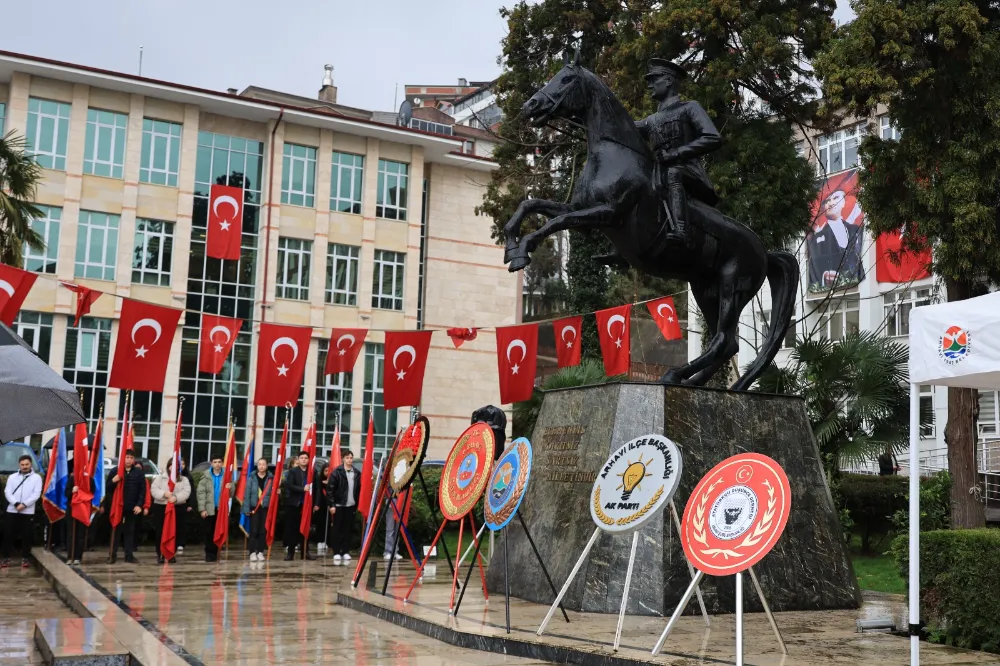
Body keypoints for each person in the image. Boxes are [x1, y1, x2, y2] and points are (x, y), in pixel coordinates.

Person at [634, 58, 722, 251]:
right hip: (659, 178)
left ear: (668, 81)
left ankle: (682, 230)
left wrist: (676, 154)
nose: (649, 85)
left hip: (689, 173)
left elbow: (713, 137)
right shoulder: (651, 120)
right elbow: (624, 127)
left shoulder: (689, 108)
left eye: (654, 80)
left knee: (674, 172)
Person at [807, 189, 865, 291]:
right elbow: (814, 265)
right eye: (827, 201)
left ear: (843, 203)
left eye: (835, 198)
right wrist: (824, 276)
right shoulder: (817, 238)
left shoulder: (856, 230)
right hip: (832, 290)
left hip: (858, 283)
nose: (831, 203)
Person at [106, 450, 147, 564]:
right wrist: (113, 481)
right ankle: (112, 555)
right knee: (116, 531)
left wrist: (139, 505)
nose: (129, 459)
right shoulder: (115, 471)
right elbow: (107, 489)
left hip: (132, 507)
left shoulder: (138, 472)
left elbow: (142, 490)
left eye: (131, 457)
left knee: (130, 532)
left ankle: (129, 556)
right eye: (127, 457)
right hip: (117, 507)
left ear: (134, 460)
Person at [3, 455, 42, 568]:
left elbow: (36, 494)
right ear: (19, 465)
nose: (24, 467)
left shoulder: (37, 478)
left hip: (28, 511)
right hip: (12, 510)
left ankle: (25, 558)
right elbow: (7, 492)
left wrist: (24, 504)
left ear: (31, 464)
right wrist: (15, 503)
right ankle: (6, 558)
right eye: (22, 464)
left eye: (27, 464)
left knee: (26, 535)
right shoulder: (12, 477)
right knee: (8, 534)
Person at [150, 459, 191, 564]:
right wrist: (164, 494)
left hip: (177, 507)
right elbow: (153, 490)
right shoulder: (160, 478)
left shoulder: (183, 479)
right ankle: (161, 554)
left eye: (176, 465)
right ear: (168, 466)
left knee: (175, 531)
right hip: (161, 507)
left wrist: (176, 498)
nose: (173, 468)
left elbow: (186, 491)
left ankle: (171, 554)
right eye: (171, 465)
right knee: (160, 532)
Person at [328, 451, 360, 564]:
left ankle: (345, 551)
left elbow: (358, 490)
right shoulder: (336, 472)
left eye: (351, 458)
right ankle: (336, 552)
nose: (350, 460)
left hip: (350, 505)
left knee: (348, 529)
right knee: (337, 529)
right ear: (343, 459)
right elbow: (330, 490)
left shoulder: (356, 473)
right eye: (347, 458)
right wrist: (331, 505)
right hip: (339, 505)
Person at [282, 451, 315, 561]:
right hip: (294, 504)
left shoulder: (312, 472)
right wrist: (302, 489)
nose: (304, 460)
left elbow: (317, 488)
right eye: (302, 458)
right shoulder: (293, 471)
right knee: (293, 529)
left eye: (306, 458)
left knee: (306, 529)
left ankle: (305, 552)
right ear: (299, 460)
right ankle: (290, 553)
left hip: (307, 504)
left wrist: (316, 503)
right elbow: (290, 485)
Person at [66, 458, 97, 565]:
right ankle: (70, 556)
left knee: (81, 534)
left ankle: (78, 556)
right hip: (72, 509)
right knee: (71, 533)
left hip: (84, 509)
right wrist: (72, 491)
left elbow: (92, 494)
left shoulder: (90, 480)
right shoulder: (71, 479)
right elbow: (66, 494)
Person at [197, 453, 226, 563]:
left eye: (219, 462)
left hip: (221, 509)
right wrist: (202, 509)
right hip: (209, 508)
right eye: (215, 462)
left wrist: (231, 486)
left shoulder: (226, 476)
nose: (217, 464)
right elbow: (201, 493)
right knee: (209, 531)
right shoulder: (206, 476)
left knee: (219, 531)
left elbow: (231, 493)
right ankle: (209, 553)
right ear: (211, 463)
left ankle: (217, 551)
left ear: (222, 463)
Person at [243, 458, 273, 561]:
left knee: (262, 530)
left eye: (263, 464)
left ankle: (260, 551)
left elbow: (273, 495)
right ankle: (252, 552)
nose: (261, 466)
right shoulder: (252, 477)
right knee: (254, 530)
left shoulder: (270, 479)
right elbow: (246, 494)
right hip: (254, 508)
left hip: (265, 508)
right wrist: (246, 508)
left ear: (266, 466)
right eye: (259, 464)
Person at [176, 458, 194, 554]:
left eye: (183, 464)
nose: (181, 466)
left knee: (181, 524)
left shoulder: (188, 477)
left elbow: (191, 492)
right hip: (173, 503)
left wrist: (190, 504)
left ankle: (180, 543)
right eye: (180, 464)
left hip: (184, 503)